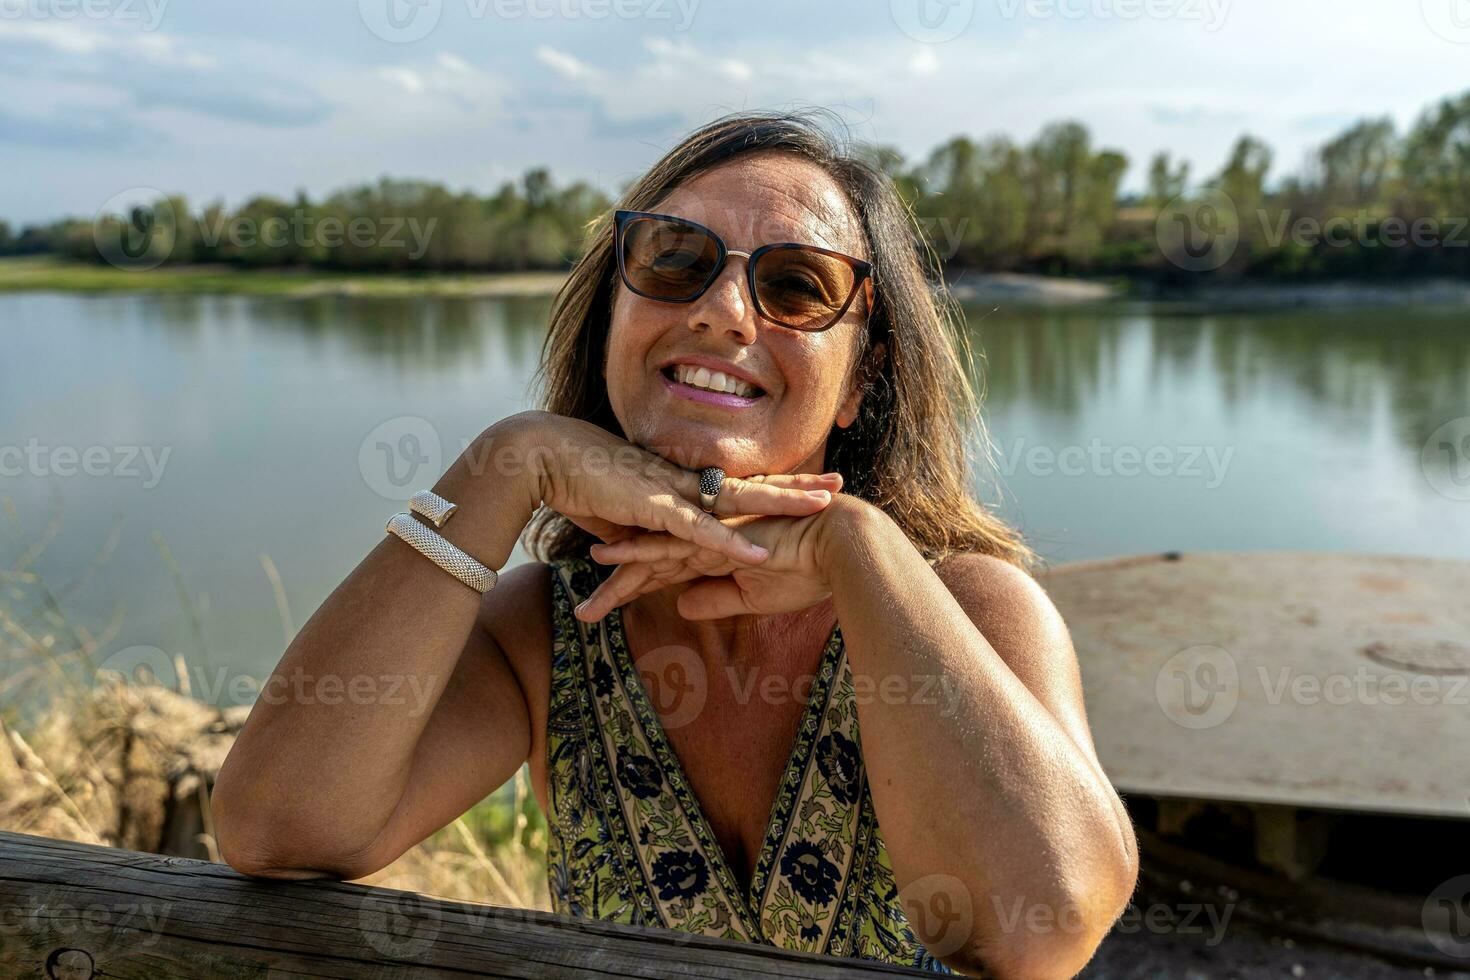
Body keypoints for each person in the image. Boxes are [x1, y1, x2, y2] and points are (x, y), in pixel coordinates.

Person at [212, 109, 1139, 978]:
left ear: (862, 381)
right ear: (614, 315)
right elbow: (276, 829)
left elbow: (1042, 931)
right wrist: (506, 459)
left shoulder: (969, 611)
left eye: (795, 287)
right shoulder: (546, 632)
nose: (726, 310)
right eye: (674, 262)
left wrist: (858, 547)